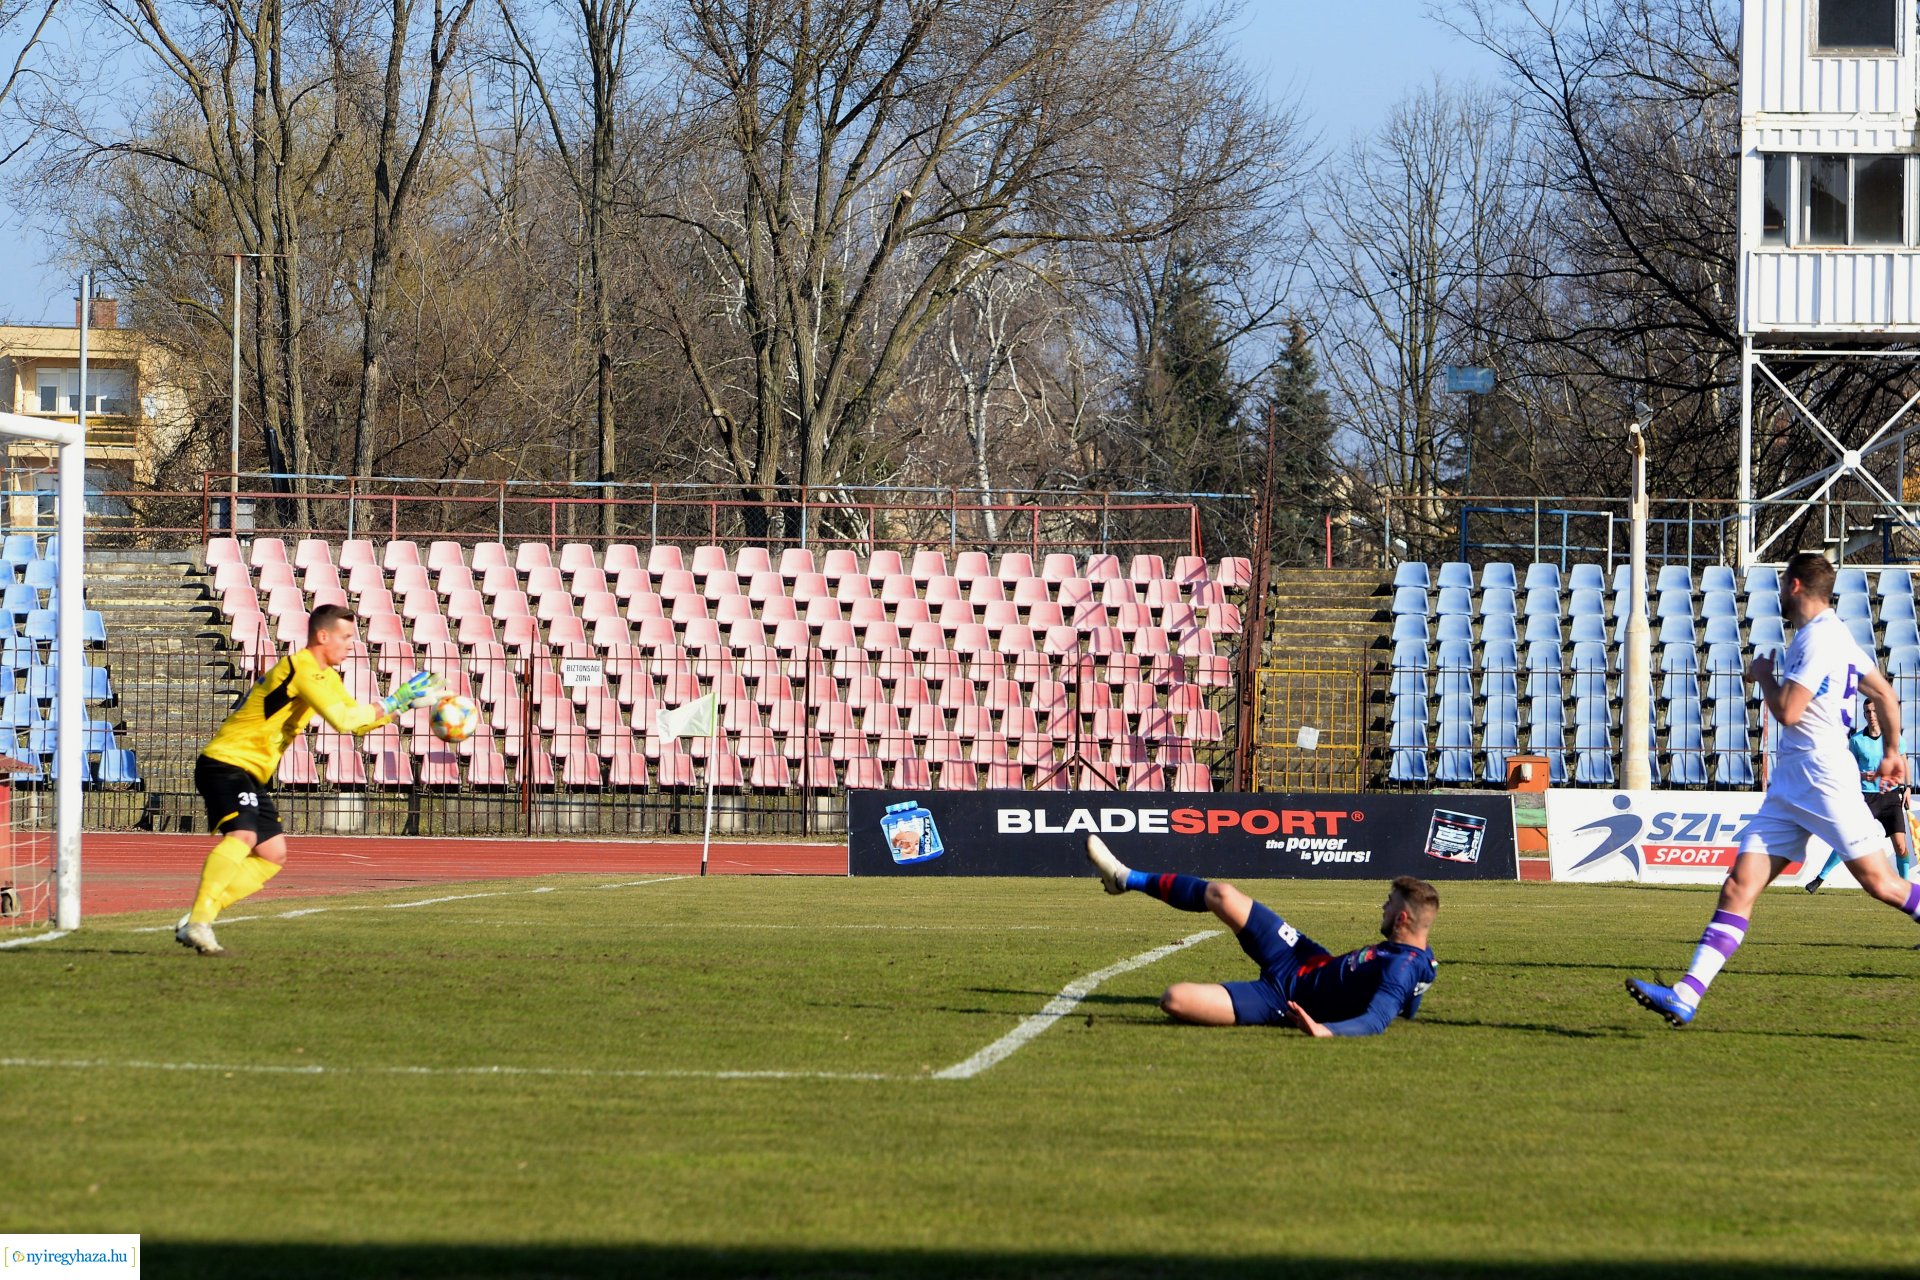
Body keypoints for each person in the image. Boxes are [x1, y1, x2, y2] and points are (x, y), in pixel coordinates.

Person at [1627, 552, 1920, 1027]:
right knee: (1739, 886)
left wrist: (1764, 674)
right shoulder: (1837, 634)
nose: (1782, 592)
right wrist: (1892, 748)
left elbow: (1788, 710)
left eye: (1785, 583)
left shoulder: (1817, 638)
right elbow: (1884, 693)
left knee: (1882, 883)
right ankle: (1685, 994)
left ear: (1798, 586)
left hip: (1823, 775)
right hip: (1793, 782)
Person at [174, 603, 441, 956]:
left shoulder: (326, 677)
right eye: (346, 638)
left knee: (271, 855)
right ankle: (199, 922)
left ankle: (196, 918)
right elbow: (343, 720)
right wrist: (395, 699)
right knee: (244, 835)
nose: (351, 645)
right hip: (226, 762)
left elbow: (357, 723)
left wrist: (400, 707)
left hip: (251, 771)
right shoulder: (302, 668)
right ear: (323, 635)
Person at [1084, 835, 1437, 1037]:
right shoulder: (1420, 958)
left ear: (1402, 919)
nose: (1382, 906)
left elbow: (1376, 1021)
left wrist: (1323, 1031)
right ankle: (1125, 878)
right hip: (1302, 956)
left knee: (1174, 999)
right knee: (1222, 894)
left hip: (1285, 999)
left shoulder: (1402, 969)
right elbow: (1411, 998)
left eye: (1389, 904)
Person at [1805, 700, 1913, 892]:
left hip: (1890, 797)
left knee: (1900, 845)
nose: (1871, 715)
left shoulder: (1893, 737)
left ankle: (1905, 887)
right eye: (1867, 712)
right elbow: (1847, 768)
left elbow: (1903, 761)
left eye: (1873, 711)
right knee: (1849, 840)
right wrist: (1863, 775)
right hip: (1865, 798)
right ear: (1864, 714)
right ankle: (1820, 878)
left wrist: (1907, 787)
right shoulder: (1856, 740)